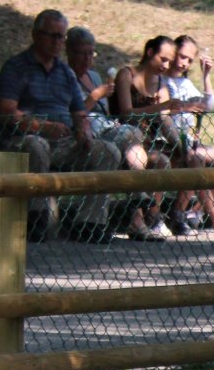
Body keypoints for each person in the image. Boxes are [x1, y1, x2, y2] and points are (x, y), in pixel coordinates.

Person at [0, 9, 121, 242]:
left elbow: (79, 111)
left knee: (108, 151)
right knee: (38, 146)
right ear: (36, 35)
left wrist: (83, 131)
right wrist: (41, 126)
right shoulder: (16, 67)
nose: (57, 42)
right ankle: (38, 218)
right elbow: (7, 111)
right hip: (23, 140)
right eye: (52, 36)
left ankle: (90, 222)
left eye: (61, 37)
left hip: (64, 140)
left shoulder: (65, 72)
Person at [65, 26, 158, 243]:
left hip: (104, 127)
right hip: (83, 129)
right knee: (122, 143)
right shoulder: (66, 75)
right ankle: (138, 192)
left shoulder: (96, 76)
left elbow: (105, 112)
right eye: (82, 52)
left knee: (133, 134)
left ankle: (137, 192)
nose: (88, 58)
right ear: (69, 52)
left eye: (91, 52)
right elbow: (74, 113)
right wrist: (96, 95)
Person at [112, 34, 187, 241]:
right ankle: (137, 221)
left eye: (170, 62)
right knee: (136, 159)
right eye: (163, 59)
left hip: (149, 143)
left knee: (162, 161)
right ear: (150, 52)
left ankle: (153, 218)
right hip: (123, 139)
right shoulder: (126, 75)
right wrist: (161, 106)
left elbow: (165, 121)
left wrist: (181, 145)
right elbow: (126, 112)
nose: (166, 65)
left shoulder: (161, 83)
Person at [164, 34, 214, 233]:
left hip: (187, 141)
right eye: (181, 56)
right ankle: (213, 219)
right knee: (194, 159)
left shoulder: (185, 83)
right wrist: (187, 107)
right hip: (166, 141)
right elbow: (164, 110)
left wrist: (206, 75)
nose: (184, 63)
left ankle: (196, 211)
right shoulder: (161, 81)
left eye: (189, 60)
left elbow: (207, 105)